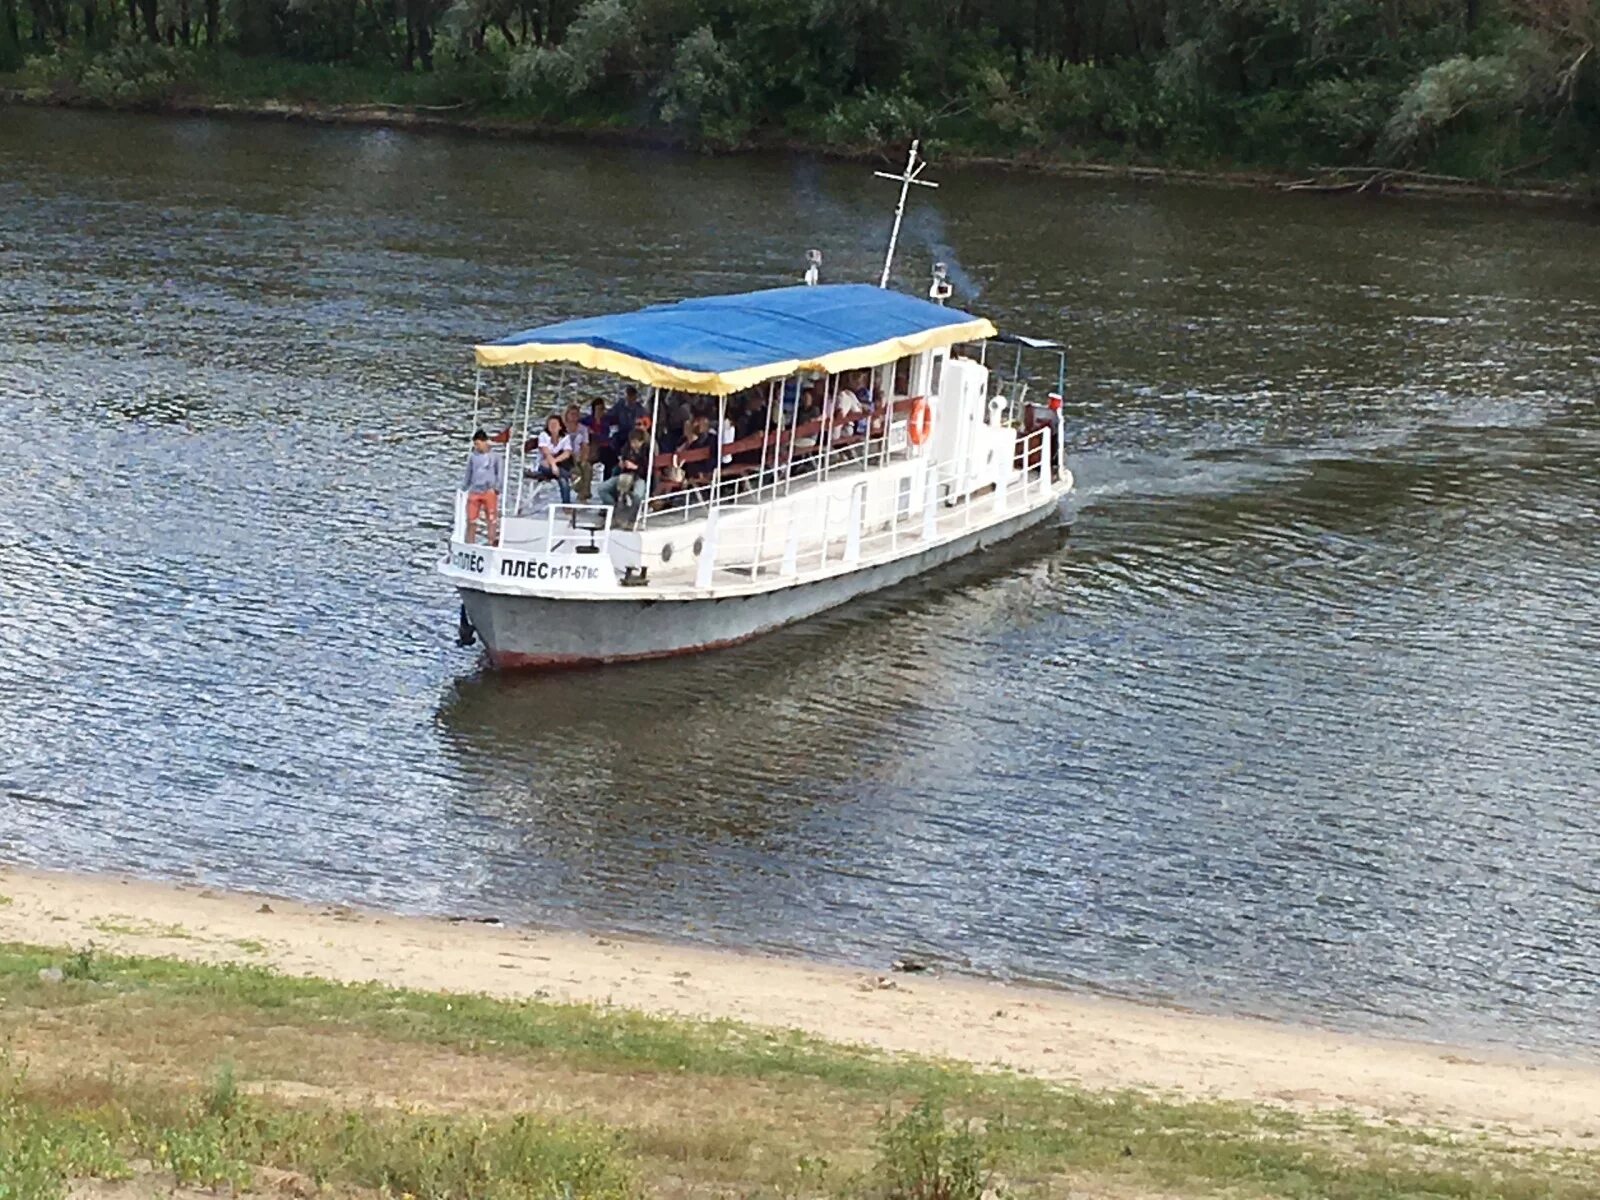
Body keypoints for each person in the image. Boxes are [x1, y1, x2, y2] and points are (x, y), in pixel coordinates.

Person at [594, 425, 651, 518]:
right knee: (602, 489)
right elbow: (622, 458)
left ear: (642, 442)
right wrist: (622, 463)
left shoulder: (648, 451)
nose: (633, 445)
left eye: (636, 442)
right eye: (632, 442)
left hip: (639, 477)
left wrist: (635, 467)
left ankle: (633, 517)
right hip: (624, 475)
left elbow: (649, 469)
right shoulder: (627, 449)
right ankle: (614, 508)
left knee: (637, 495)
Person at [461, 428, 503, 544]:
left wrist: (497, 488)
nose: (476, 447)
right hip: (474, 491)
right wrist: (464, 487)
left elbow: (499, 473)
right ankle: (469, 543)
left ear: (484, 442)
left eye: (478, 444)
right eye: (475, 444)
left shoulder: (495, 457)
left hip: (489, 490)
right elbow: (468, 473)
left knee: (491, 519)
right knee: (471, 519)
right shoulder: (472, 457)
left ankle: (491, 541)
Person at [530, 413, 574, 503]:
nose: (552, 427)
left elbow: (567, 453)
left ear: (560, 426)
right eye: (550, 424)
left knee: (563, 480)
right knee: (549, 466)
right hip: (543, 465)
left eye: (555, 424)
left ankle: (566, 504)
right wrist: (553, 465)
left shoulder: (565, 437)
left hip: (558, 466)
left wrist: (554, 462)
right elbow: (546, 452)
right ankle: (570, 475)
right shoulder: (543, 435)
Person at [563, 404, 592, 500]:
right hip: (565, 457)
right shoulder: (561, 428)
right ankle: (581, 492)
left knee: (587, 467)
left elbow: (585, 445)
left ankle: (584, 495)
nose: (574, 416)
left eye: (576, 414)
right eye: (572, 414)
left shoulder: (582, 429)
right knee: (576, 471)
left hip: (578, 455)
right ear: (567, 415)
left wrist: (583, 459)